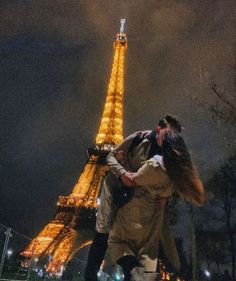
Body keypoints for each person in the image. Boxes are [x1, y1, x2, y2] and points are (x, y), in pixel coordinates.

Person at [85, 115, 182, 281]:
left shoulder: (170, 154)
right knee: (103, 233)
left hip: (136, 201)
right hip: (116, 190)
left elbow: (175, 180)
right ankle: (90, 277)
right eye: (167, 135)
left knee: (133, 247)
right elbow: (110, 156)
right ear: (158, 130)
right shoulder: (138, 138)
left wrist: (167, 197)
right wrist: (122, 174)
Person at [108, 130, 206, 281]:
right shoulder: (177, 171)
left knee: (117, 245)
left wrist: (122, 162)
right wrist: (167, 198)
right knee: (146, 262)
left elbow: (131, 180)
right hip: (154, 221)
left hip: (135, 214)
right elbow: (171, 190)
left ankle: (135, 273)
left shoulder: (154, 165)